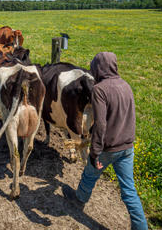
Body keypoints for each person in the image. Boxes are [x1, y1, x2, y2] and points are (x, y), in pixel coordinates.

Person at [64, 52, 148, 230]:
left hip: (109, 147)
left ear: (98, 68)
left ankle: (79, 199)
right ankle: (141, 227)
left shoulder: (99, 89)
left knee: (90, 173)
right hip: (127, 146)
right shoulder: (126, 85)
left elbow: (101, 124)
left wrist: (95, 152)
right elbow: (129, 116)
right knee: (129, 190)